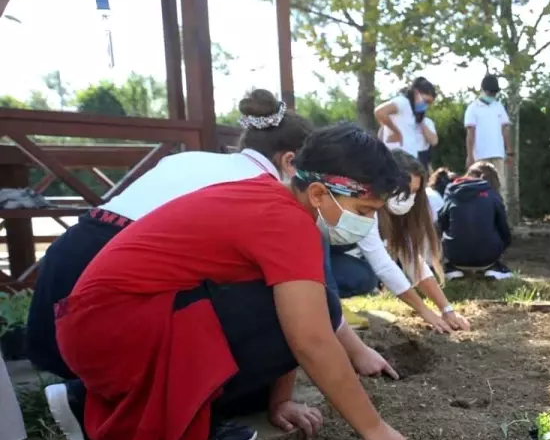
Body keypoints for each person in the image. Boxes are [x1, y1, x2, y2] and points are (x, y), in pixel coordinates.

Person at [45, 123, 416, 440]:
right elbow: (311, 339)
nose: (367, 223)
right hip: (112, 329)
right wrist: (375, 429)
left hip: (102, 323)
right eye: (364, 211)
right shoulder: (286, 222)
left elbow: (294, 311)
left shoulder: (273, 200)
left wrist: (279, 400)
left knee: (319, 306)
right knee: (319, 317)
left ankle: (102, 400)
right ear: (319, 193)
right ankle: (164, 416)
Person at [27, 89, 396, 385]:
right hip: (112, 314)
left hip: (60, 285)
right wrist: (354, 349)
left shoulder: (193, 161)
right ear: (291, 162)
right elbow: (314, 295)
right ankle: (136, 401)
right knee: (279, 318)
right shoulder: (264, 197)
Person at [375, 152, 471, 333]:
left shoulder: (401, 218)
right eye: (404, 190)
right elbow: (383, 266)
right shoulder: (369, 212)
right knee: (361, 276)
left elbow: (413, 262)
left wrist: (446, 309)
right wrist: (425, 311)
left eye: (413, 192)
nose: (407, 198)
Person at [439, 162, 512, 280]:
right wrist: (504, 246)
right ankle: (494, 268)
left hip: (455, 256)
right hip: (488, 256)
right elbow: (503, 228)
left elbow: (442, 223)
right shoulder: (492, 194)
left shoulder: (452, 191)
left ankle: (452, 269)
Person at [464, 75, 513, 191]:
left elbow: (505, 130)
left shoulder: (499, 107)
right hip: (480, 156)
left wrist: (510, 152)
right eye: (490, 92)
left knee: (499, 188)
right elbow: (470, 134)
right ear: (483, 90)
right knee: (480, 189)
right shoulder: (472, 108)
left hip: (497, 154)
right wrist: (470, 156)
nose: (492, 96)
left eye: (494, 93)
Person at [375, 76, 439, 161]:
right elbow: (380, 112)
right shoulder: (402, 102)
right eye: (426, 101)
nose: (426, 106)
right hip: (399, 160)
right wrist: (396, 132)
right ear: (416, 93)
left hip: (409, 159)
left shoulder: (410, 109)